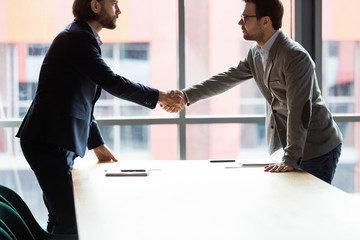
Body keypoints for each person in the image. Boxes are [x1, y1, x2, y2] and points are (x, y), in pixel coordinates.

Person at [16, 0, 184, 235]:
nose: (119, 10)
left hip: (52, 139)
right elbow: (112, 82)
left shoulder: (81, 36)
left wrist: (97, 144)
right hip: (48, 141)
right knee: (71, 220)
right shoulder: (77, 39)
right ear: (95, 5)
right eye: (114, 3)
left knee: (62, 216)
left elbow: (80, 101)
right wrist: (160, 96)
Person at [166, 0, 342, 184]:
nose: (239, 23)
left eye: (245, 18)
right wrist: (186, 96)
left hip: (318, 147)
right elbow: (227, 77)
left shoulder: (294, 56)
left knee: (311, 207)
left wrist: (290, 157)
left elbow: (299, 110)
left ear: (265, 21)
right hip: (293, 148)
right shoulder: (256, 53)